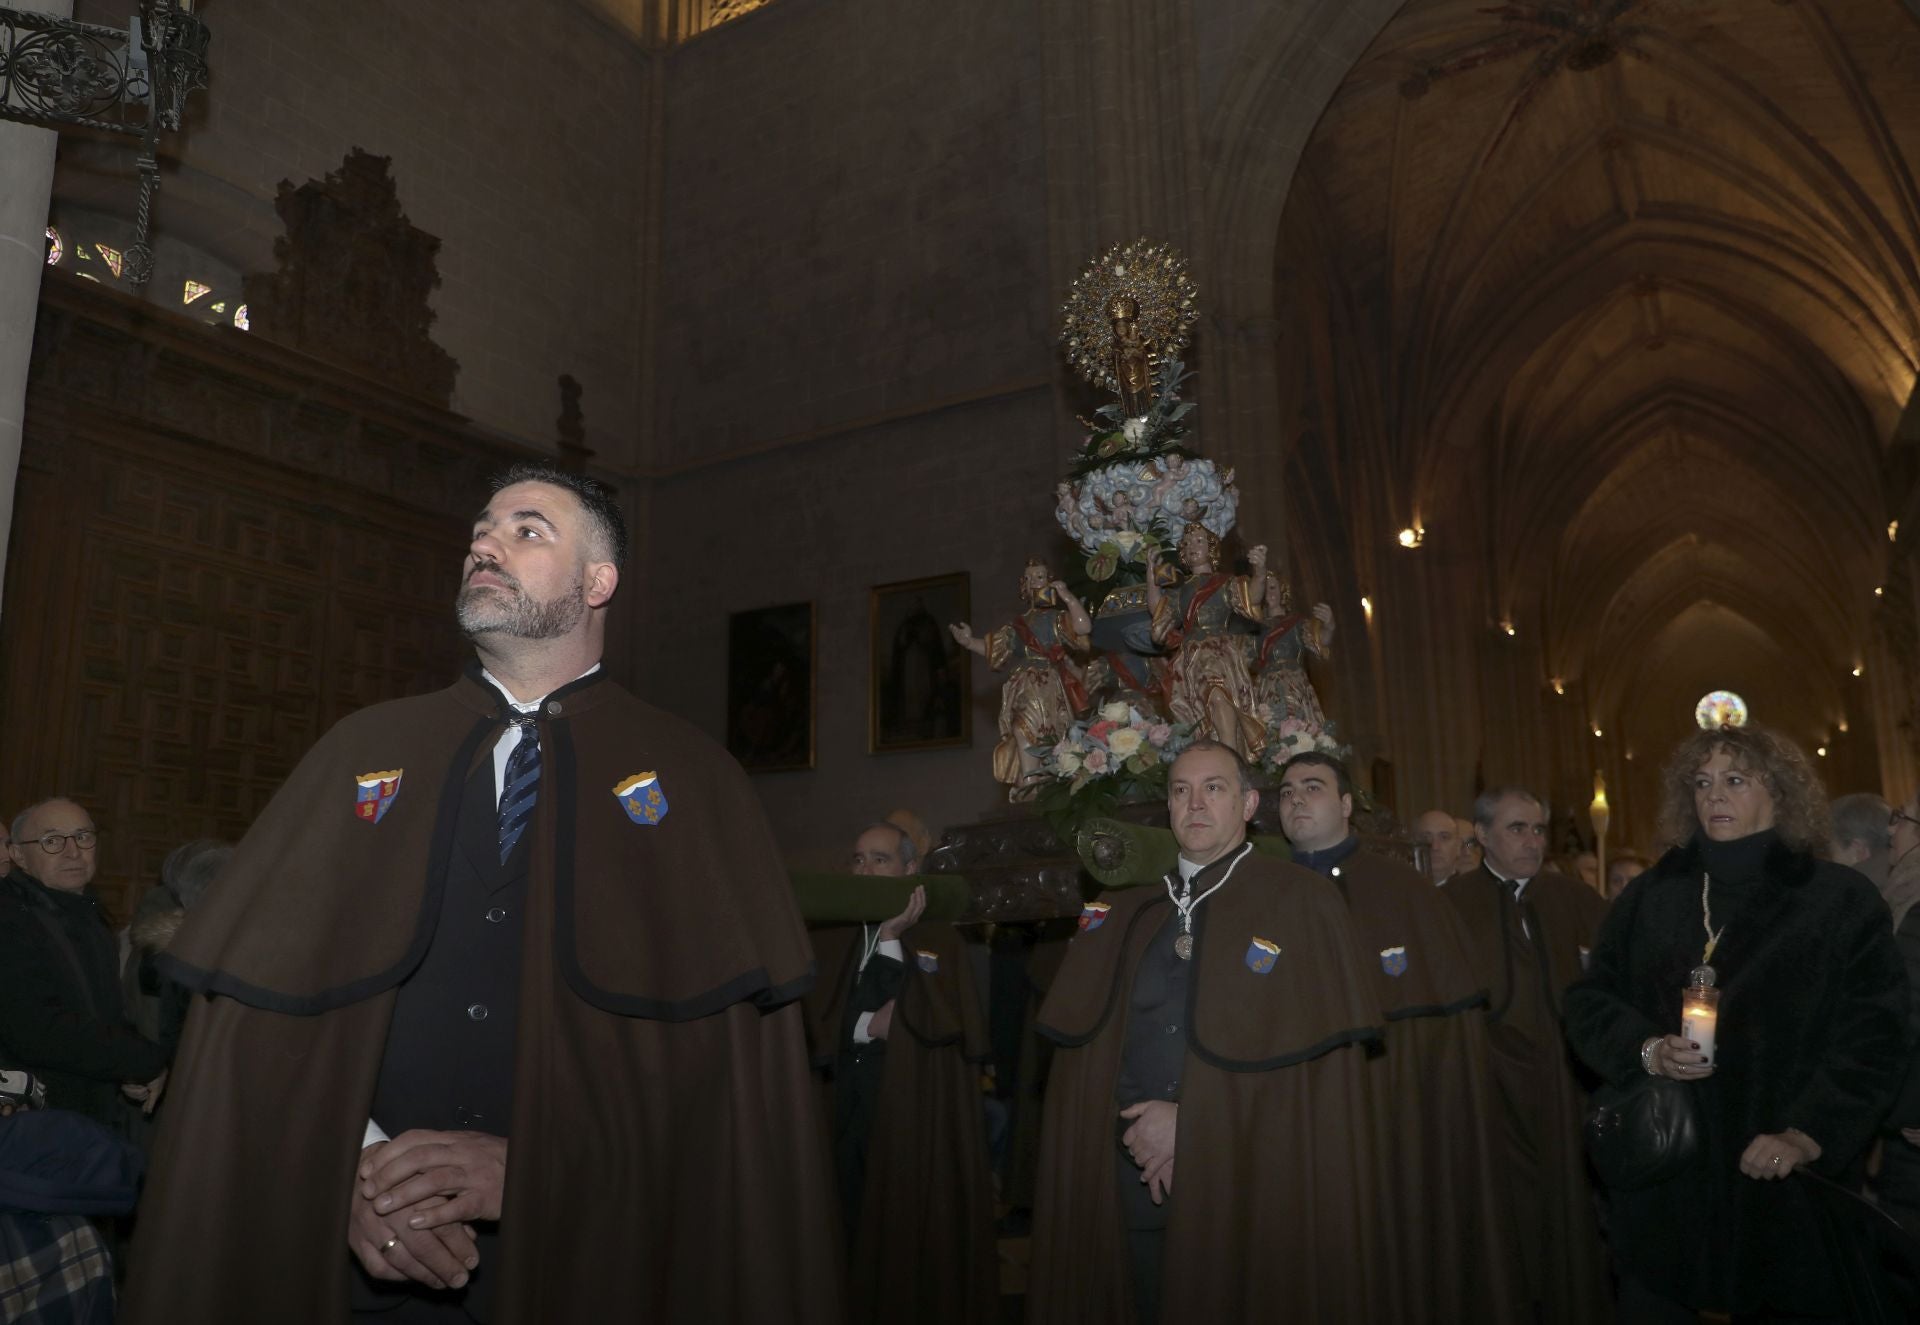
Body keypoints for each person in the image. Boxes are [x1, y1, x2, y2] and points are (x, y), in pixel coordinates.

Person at [121, 464, 841, 1323]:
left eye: (527, 528)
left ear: (599, 580)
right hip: (355, 1266)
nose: (485, 543)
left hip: (589, 1262)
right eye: (481, 529)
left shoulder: (693, 778)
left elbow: (727, 1095)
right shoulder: (363, 746)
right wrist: (347, 1167)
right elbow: (257, 1034)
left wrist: (539, 1167)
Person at [1027, 741, 1387, 1324]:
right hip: (1128, 1176)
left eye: (1214, 788)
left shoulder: (1303, 899)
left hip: (1250, 1180)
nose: (1195, 803)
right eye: (1180, 790)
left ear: (1247, 803)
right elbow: (1084, 1057)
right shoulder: (1123, 906)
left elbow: (1313, 1079)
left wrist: (1191, 1122)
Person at [1565, 725, 1907, 1321]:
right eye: (1701, 783)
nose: (1713, 796)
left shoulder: (1838, 899)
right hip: (1669, 1174)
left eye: (1734, 780)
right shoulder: (1651, 895)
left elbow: (1874, 1036)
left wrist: (1808, 1133)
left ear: (1779, 791)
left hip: (1779, 1173)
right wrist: (1644, 1050)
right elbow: (1590, 1002)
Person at [1274, 754, 1521, 1323]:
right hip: (1292, 1115)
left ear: (1344, 807)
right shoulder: (1262, 889)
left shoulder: (1405, 891)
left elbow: (1445, 1035)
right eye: (1286, 792)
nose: (1296, 800)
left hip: (1389, 1113)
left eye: (1313, 787)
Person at [804, 821, 996, 1324]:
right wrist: (867, 1025)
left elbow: (940, 1024)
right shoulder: (829, 937)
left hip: (911, 1118)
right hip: (842, 1112)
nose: (864, 868)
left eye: (880, 858)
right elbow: (816, 1020)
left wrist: (891, 941)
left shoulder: (939, 940)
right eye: (858, 858)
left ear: (911, 870)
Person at [1441, 786, 1611, 1324]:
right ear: (1483, 835)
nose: (1532, 840)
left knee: (1568, 1203)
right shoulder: (1451, 902)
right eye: (1517, 828)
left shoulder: (1573, 898)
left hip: (1564, 1079)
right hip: (1487, 1080)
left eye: (1538, 829)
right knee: (1503, 1205)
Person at [0, 799, 169, 1127]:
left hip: (89, 1116)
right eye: (52, 841)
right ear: (19, 855)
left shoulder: (90, 917)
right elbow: (37, 1029)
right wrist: (141, 1058)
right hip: (35, 1123)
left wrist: (128, 1067)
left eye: (83, 837)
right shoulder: (9, 919)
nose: (73, 851)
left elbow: (102, 1014)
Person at [950, 560, 1094, 795]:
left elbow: (1083, 627)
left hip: (1051, 685)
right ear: (1024, 588)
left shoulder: (1059, 618)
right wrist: (969, 642)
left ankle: (1048, 780)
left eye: (1039, 577)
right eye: (1029, 579)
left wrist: (1067, 597)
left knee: (1053, 737)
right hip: (1025, 684)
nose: (1034, 582)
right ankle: (1029, 780)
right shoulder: (1019, 625)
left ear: (1050, 581)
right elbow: (995, 649)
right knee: (1021, 728)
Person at [1144, 527, 1268, 760]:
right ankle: (1212, 758)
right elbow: (1159, 612)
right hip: (1190, 659)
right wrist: (1151, 579)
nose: (1192, 546)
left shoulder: (1225, 583)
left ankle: (1230, 757)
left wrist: (1260, 573)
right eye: (1188, 543)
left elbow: (1251, 599)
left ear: (1211, 549)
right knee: (1200, 713)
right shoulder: (1180, 591)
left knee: (1219, 696)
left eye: (1199, 541)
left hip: (1220, 652)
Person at [1827, 793, 1892, 892]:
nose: (1828, 862)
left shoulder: (1856, 899)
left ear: (1859, 850)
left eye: (1831, 852)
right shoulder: (1902, 882)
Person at [1415, 808, 1464, 884]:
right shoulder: (1401, 890)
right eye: (1426, 838)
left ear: (1458, 847)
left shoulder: (1472, 892)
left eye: (1444, 837)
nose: (1435, 847)